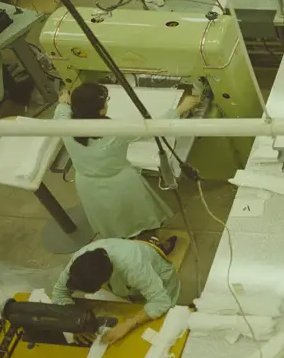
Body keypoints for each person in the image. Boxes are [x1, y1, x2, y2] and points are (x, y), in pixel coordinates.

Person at [55, 81, 202, 240]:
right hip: (120, 186)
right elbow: (151, 128)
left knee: (111, 221)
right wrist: (180, 109)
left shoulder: (64, 125)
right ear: (101, 110)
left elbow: (62, 108)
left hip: (87, 185)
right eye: (106, 101)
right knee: (138, 219)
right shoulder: (115, 132)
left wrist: (63, 101)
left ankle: (126, 243)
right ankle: (151, 245)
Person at [52, 237, 182, 345]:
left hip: (161, 281)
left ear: (106, 279)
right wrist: (74, 322)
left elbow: (161, 302)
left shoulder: (132, 266)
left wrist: (128, 324)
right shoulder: (78, 264)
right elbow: (59, 293)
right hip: (131, 287)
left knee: (164, 327)